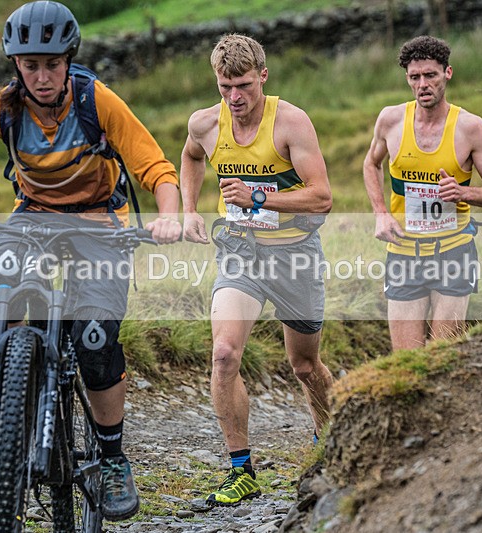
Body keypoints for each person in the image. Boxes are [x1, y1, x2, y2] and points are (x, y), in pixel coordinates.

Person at [0, 1, 181, 522]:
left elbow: (155, 167)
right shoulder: (3, 108)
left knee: (94, 338)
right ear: (16, 66)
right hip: (34, 216)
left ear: (69, 59)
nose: (42, 76)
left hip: (97, 221)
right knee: (0, 275)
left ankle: (113, 460)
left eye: (52, 64)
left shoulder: (97, 101)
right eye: (30, 65)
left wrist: (169, 217)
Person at [181, 34, 334, 506]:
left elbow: (322, 197)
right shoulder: (206, 124)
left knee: (304, 365)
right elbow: (189, 157)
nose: (235, 97)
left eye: (244, 85)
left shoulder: (291, 122)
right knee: (224, 354)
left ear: (263, 76)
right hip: (241, 254)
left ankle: (332, 441)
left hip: (294, 254)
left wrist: (259, 196)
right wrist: (189, 209)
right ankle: (241, 470)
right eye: (226, 86)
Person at [363, 35, 482, 351]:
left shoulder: (470, 127)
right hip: (403, 251)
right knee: (406, 361)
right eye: (415, 77)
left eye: (431, 75)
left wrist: (464, 193)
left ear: (447, 73)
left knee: (443, 356)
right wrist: (381, 214)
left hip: (453, 250)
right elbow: (371, 164)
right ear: (407, 79)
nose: (423, 84)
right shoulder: (390, 120)